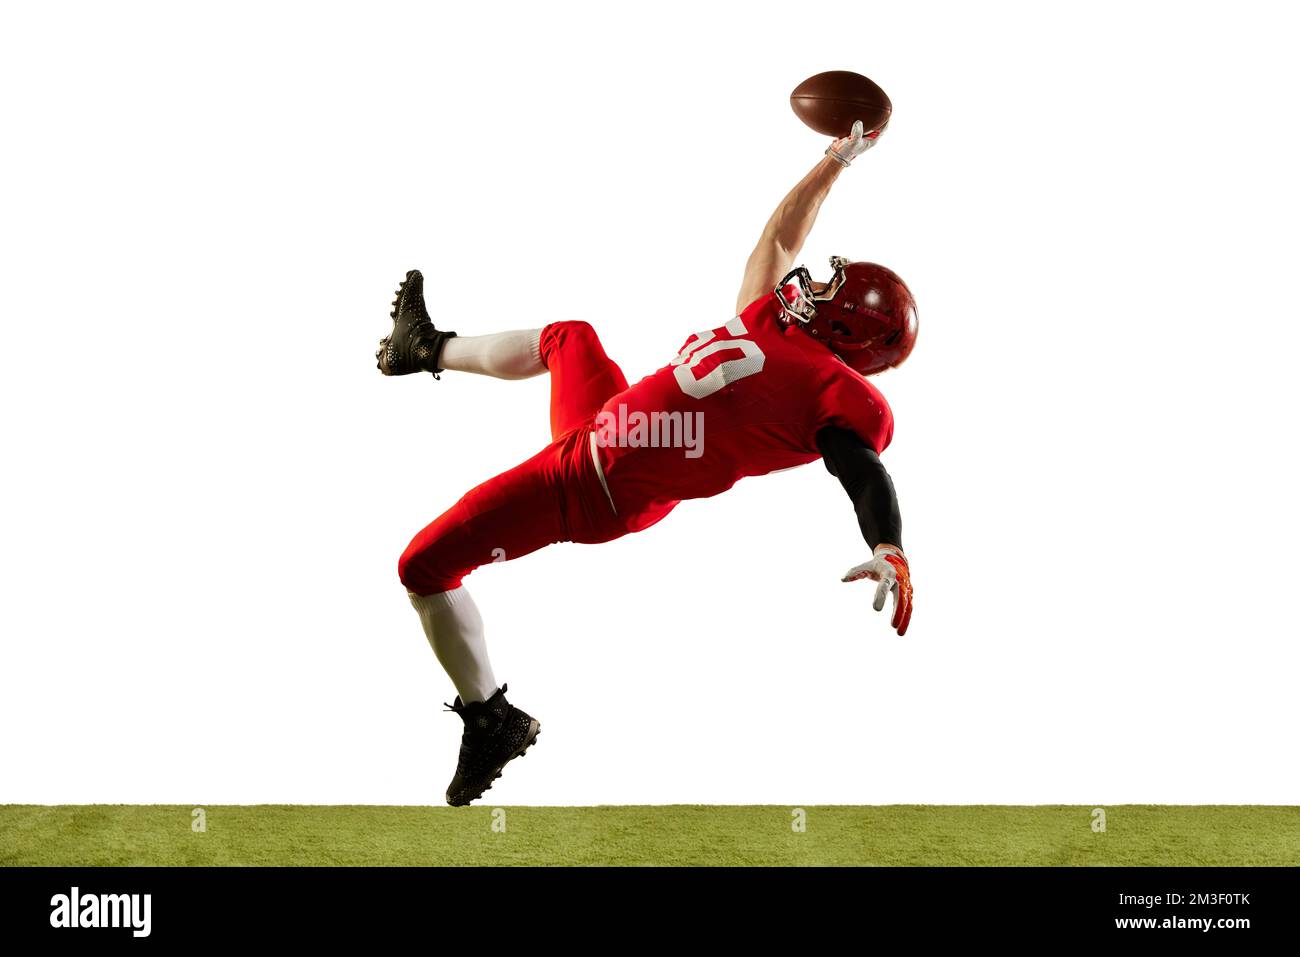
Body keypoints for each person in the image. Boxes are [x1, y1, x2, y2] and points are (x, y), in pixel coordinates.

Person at [375, 120, 918, 806]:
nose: (806, 283)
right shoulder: (767, 321)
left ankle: (489, 717)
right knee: (569, 338)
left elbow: (860, 468)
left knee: (419, 566)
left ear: (845, 330)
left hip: (590, 484)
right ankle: (422, 348)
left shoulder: (830, 393)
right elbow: (781, 235)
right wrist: (833, 162)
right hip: (607, 429)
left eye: (826, 292)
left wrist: (887, 542)